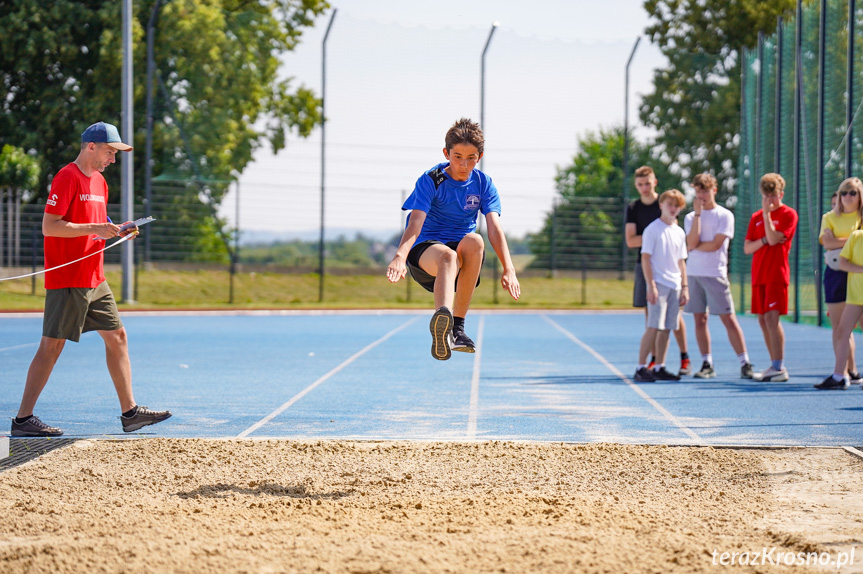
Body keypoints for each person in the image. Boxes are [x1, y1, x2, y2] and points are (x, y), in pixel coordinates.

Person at [11, 121, 172, 436]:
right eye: (110, 152)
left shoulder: (100, 181)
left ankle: (130, 413)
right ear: (91, 147)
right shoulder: (66, 177)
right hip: (68, 277)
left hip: (94, 277)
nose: (112, 159)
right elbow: (51, 226)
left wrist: (119, 227)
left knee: (118, 337)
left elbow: (98, 222)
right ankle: (22, 420)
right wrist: (94, 229)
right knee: (52, 346)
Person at [386, 118, 520, 360]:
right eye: (457, 156)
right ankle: (443, 321)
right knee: (447, 256)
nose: (463, 164)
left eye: (470, 158)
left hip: (459, 259)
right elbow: (415, 222)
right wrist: (399, 256)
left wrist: (508, 268)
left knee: (476, 241)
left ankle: (457, 329)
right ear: (446, 153)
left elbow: (495, 230)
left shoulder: (483, 183)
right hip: (426, 253)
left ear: (479, 157)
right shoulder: (431, 179)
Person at [683, 173, 754, 379]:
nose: (701, 195)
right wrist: (697, 216)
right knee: (699, 319)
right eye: (698, 191)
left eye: (704, 190)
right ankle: (707, 363)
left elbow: (715, 244)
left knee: (728, 319)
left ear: (714, 190)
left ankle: (745, 363)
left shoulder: (724, 215)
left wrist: (696, 246)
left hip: (715, 273)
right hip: (694, 273)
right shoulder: (690, 217)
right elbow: (691, 244)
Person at [625, 166, 691, 375]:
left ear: (655, 182)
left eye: (676, 206)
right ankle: (642, 366)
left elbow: (680, 259)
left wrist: (684, 285)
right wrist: (651, 284)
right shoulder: (649, 224)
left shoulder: (677, 230)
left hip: (673, 282)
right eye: (640, 184)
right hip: (654, 277)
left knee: (669, 325)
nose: (644, 187)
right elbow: (635, 245)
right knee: (653, 323)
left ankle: (664, 363)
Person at [743, 173, 798, 382]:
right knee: (762, 320)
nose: (769, 200)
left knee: (772, 319)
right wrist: (764, 238)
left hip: (777, 274)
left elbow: (776, 239)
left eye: (773, 196)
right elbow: (748, 247)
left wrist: (767, 217)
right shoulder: (756, 217)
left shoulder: (788, 214)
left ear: (780, 194)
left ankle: (779, 366)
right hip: (759, 275)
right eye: (766, 196)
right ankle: (773, 364)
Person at [816, 177, 863, 390]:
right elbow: (827, 243)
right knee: (839, 328)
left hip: (857, 278)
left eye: (852, 192)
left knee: (858, 325)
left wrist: (839, 240)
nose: (847, 196)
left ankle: (852, 371)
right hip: (837, 272)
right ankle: (842, 373)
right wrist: (852, 238)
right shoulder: (829, 217)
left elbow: (835, 242)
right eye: (844, 192)